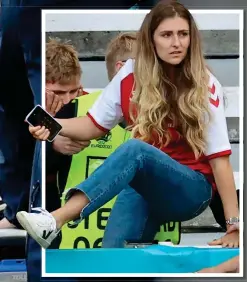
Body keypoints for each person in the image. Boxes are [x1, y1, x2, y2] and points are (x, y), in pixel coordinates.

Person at [18, 1, 239, 251]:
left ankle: (55, 219)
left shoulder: (204, 83)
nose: (177, 43)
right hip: (144, 186)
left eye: (183, 34)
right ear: (151, 40)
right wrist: (52, 125)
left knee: (136, 149)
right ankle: (56, 223)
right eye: (167, 35)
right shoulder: (130, 74)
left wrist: (235, 225)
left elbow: (220, 159)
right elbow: (92, 126)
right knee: (113, 259)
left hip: (191, 190)